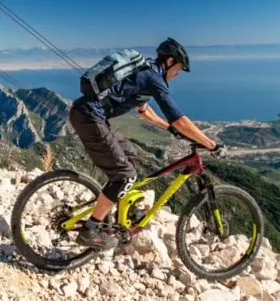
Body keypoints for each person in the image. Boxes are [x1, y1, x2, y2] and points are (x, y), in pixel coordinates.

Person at [68, 37, 218, 250]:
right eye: (178, 68)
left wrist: (169, 128)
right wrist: (210, 144)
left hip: (89, 115)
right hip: (89, 118)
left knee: (130, 154)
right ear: (168, 61)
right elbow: (180, 119)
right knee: (125, 175)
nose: (176, 75)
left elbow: (143, 110)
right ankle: (90, 229)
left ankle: (119, 210)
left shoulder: (144, 72)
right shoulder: (153, 78)